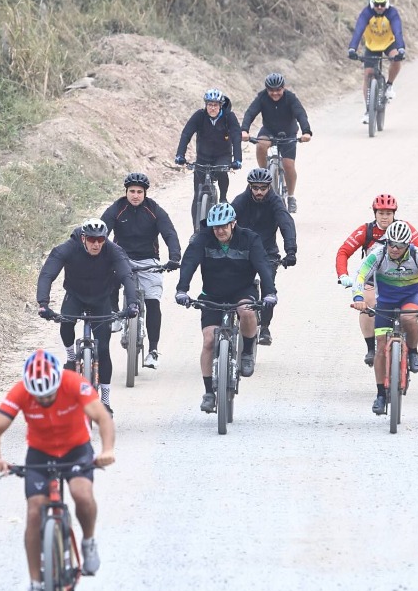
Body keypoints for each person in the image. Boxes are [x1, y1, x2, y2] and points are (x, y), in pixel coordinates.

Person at [0, 349, 116, 591]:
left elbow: (102, 417)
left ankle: (89, 542)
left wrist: (107, 450)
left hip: (75, 449)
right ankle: (35, 584)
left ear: (58, 382)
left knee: (81, 493)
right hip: (40, 453)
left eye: (49, 394)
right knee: (34, 512)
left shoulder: (72, 383)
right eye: (39, 395)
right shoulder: (21, 391)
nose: (44, 399)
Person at [174, 203, 277, 414]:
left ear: (233, 223)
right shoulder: (203, 239)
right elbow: (189, 262)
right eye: (215, 227)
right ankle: (209, 393)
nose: (219, 231)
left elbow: (263, 266)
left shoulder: (250, 239)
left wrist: (269, 292)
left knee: (247, 311)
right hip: (212, 294)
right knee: (209, 339)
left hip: (242, 290)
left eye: (224, 226)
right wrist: (182, 290)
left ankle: (247, 351)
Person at [36, 219, 141, 410]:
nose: (96, 244)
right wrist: (43, 304)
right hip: (75, 296)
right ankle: (70, 357)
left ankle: (106, 402)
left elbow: (127, 276)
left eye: (101, 239)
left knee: (103, 349)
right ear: (84, 238)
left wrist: (133, 303)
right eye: (92, 239)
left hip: (102, 299)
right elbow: (47, 274)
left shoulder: (113, 250)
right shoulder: (68, 248)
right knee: (66, 324)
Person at [351, 220, 418, 416]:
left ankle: (413, 352)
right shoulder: (378, 254)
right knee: (381, 346)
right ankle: (381, 394)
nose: (394, 248)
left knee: (410, 319)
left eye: (400, 245)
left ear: (408, 245)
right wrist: (358, 298)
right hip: (385, 300)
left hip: (409, 297)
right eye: (391, 243)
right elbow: (360, 275)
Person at [335, 194, 418, 366]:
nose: (385, 217)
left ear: (394, 213)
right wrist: (343, 275)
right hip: (373, 278)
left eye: (388, 213)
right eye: (381, 213)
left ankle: (413, 350)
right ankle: (371, 348)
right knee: (367, 303)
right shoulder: (367, 231)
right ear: (374, 213)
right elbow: (344, 251)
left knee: (409, 315)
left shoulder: (405, 228)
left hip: (401, 276)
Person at [100, 172, 182, 370]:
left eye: (139, 192)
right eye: (131, 192)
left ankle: (153, 351)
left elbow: (169, 233)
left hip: (148, 259)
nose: (135, 195)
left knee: (153, 301)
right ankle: (115, 315)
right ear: (126, 192)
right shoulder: (117, 208)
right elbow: (102, 230)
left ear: (145, 193)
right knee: (108, 275)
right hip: (121, 257)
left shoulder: (154, 210)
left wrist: (174, 258)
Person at [232, 166, 297, 345]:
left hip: (267, 252)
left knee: (268, 287)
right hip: (243, 251)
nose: (259, 192)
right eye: (255, 188)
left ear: (269, 187)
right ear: (250, 186)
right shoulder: (241, 200)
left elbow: (286, 224)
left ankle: (265, 328)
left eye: (263, 188)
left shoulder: (275, 202)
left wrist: (290, 250)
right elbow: (225, 220)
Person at [239, 72, 313, 212]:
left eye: (278, 90)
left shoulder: (290, 98)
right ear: (267, 89)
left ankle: (290, 196)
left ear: (283, 87)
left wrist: (306, 131)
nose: (274, 93)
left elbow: (300, 114)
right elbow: (250, 113)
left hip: (288, 133)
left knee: (288, 165)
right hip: (269, 131)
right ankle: (265, 174)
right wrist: (244, 130)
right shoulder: (262, 97)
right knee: (261, 145)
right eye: (271, 90)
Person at [173, 89, 244, 227]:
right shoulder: (199, 116)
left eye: (215, 105)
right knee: (197, 195)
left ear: (221, 105)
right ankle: (196, 231)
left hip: (222, 155)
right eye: (209, 105)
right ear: (205, 105)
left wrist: (237, 159)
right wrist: (180, 155)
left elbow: (236, 137)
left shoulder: (229, 117)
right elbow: (186, 134)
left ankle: (223, 197)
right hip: (203, 157)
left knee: (222, 172)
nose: (212, 108)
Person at [346, 0, 406, 124]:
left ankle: (389, 85)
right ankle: (368, 111)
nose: (379, 7)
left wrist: (401, 48)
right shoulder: (366, 13)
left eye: (382, 4)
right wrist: (352, 48)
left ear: (387, 4)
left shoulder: (392, 13)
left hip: (389, 43)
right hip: (372, 46)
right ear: (372, 4)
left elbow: (397, 31)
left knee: (396, 59)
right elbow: (358, 31)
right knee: (368, 74)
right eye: (377, 4)